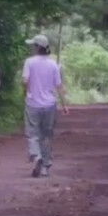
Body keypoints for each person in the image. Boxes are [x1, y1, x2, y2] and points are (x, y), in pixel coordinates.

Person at [22, 33, 68, 177]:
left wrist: (27, 92)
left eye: (33, 45)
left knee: (33, 133)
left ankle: (36, 156)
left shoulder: (29, 62)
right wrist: (64, 105)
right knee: (46, 136)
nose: (32, 48)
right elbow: (59, 86)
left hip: (33, 103)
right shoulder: (53, 64)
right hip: (50, 105)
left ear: (37, 47)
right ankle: (45, 167)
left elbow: (25, 80)